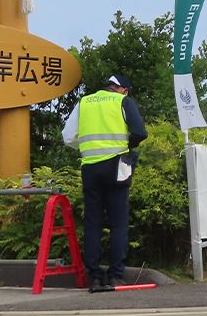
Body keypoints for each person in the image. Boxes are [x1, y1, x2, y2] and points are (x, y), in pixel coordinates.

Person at [62, 74, 147, 292]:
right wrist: (128, 146)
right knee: (118, 223)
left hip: (90, 168)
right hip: (117, 165)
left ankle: (95, 278)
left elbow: (68, 137)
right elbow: (139, 132)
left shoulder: (85, 102)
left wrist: (88, 148)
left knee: (93, 223)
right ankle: (116, 276)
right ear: (124, 90)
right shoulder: (123, 102)